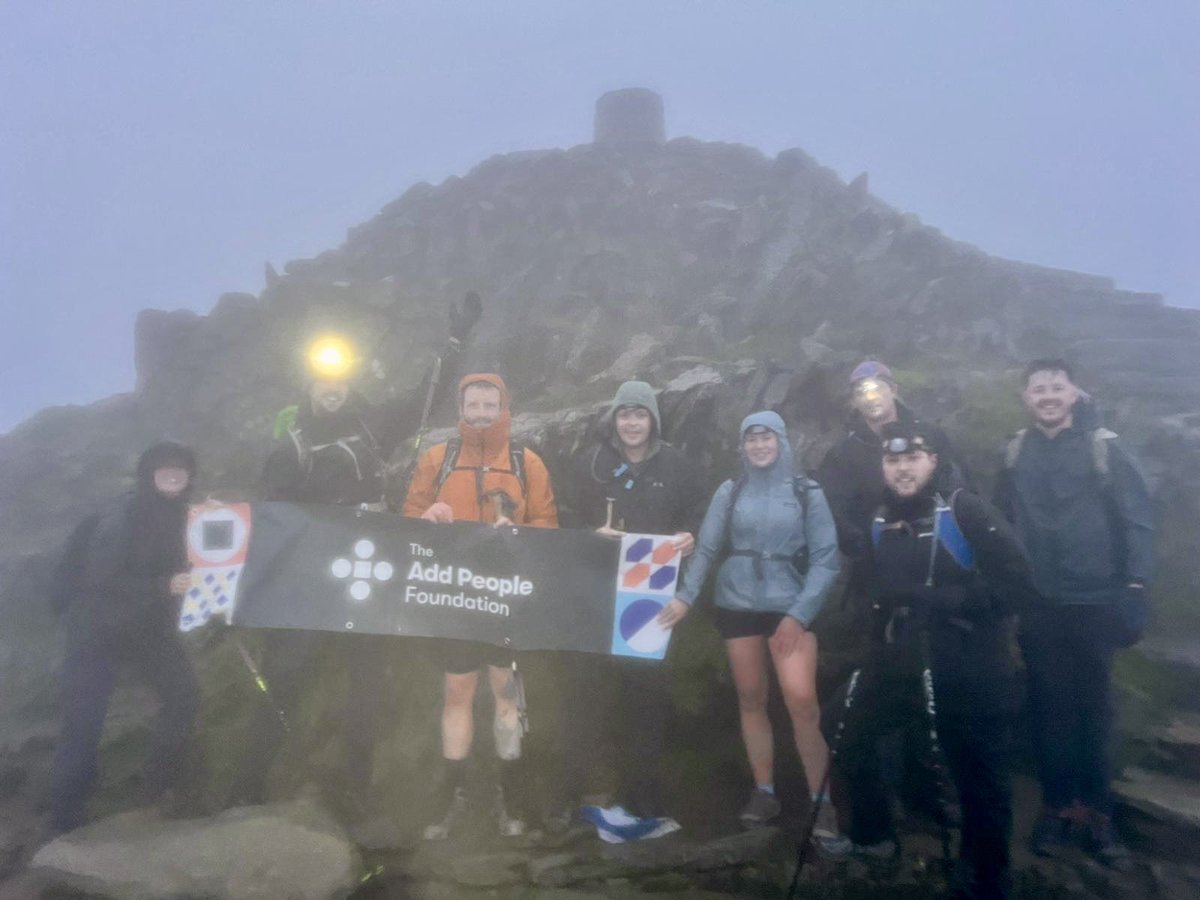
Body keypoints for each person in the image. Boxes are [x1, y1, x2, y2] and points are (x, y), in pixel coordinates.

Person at [233, 294, 480, 811]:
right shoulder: (291, 447)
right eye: (323, 383)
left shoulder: (372, 428)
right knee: (286, 672)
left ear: (348, 385)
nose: (332, 391)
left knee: (367, 677)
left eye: (340, 382)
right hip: (308, 582)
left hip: (364, 577)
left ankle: (355, 788)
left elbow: (425, 397)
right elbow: (271, 518)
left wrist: (455, 341)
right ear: (310, 386)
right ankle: (249, 785)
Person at [832, 421, 1039, 900]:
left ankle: (985, 878)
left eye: (912, 458)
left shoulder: (964, 509)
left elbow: (1019, 584)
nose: (902, 468)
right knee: (841, 727)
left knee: (978, 779)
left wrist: (949, 600)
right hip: (901, 663)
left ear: (933, 461)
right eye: (892, 459)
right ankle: (875, 833)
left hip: (971, 670)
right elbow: (877, 590)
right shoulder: (882, 518)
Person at [994, 359, 1155, 866]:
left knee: (1095, 709)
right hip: (1041, 604)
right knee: (1050, 711)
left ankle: (1099, 814)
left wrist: (1135, 586)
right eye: (1038, 389)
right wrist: (1005, 588)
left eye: (1056, 388)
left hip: (1096, 600)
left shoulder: (1103, 446)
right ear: (1025, 397)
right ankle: (1058, 807)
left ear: (1074, 392)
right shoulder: (1015, 452)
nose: (1047, 396)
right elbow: (1000, 520)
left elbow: (1137, 518)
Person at [665, 411, 847, 850]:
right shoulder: (731, 491)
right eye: (752, 439)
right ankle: (764, 793)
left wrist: (799, 615)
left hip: (789, 604)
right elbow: (707, 548)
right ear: (742, 446)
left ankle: (824, 800)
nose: (759, 446)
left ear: (782, 441)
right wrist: (686, 597)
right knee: (750, 697)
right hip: (738, 603)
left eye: (767, 437)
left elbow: (827, 558)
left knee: (802, 701)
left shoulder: (807, 492)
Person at [403, 373, 558, 839]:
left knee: (507, 695)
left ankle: (508, 795)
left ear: (503, 408)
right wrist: (427, 517)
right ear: (462, 407)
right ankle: (453, 794)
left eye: (491, 404)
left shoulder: (526, 462)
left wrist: (522, 535)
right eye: (475, 403)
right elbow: (409, 519)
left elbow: (548, 527)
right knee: (458, 694)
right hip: (454, 599)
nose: (483, 411)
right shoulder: (438, 458)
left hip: (508, 601)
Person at [815, 359, 964, 827]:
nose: (871, 397)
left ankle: (928, 793)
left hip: (932, 581)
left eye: (878, 387)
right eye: (861, 390)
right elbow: (832, 509)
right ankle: (874, 807)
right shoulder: (843, 453)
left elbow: (960, 493)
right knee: (876, 693)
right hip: (874, 585)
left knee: (931, 687)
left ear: (895, 388)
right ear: (853, 399)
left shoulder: (931, 436)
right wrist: (869, 542)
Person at [553, 381, 703, 827]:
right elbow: (562, 517)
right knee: (585, 696)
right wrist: (588, 535)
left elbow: (699, 513)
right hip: (596, 595)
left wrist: (691, 534)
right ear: (614, 419)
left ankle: (642, 797)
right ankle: (576, 794)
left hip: (649, 602)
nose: (632, 422)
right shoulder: (591, 464)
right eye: (625, 414)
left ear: (653, 419)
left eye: (640, 414)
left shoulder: (678, 465)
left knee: (645, 701)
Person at [49, 441, 201, 833]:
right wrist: (162, 585)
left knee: (183, 693)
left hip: (145, 627)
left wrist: (217, 522)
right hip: (96, 628)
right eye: (164, 469)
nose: (173, 475)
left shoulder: (186, 516)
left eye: (181, 470)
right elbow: (100, 580)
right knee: (84, 722)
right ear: (147, 475)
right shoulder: (122, 516)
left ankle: (155, 793)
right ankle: (63, 824)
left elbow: (208, 563)